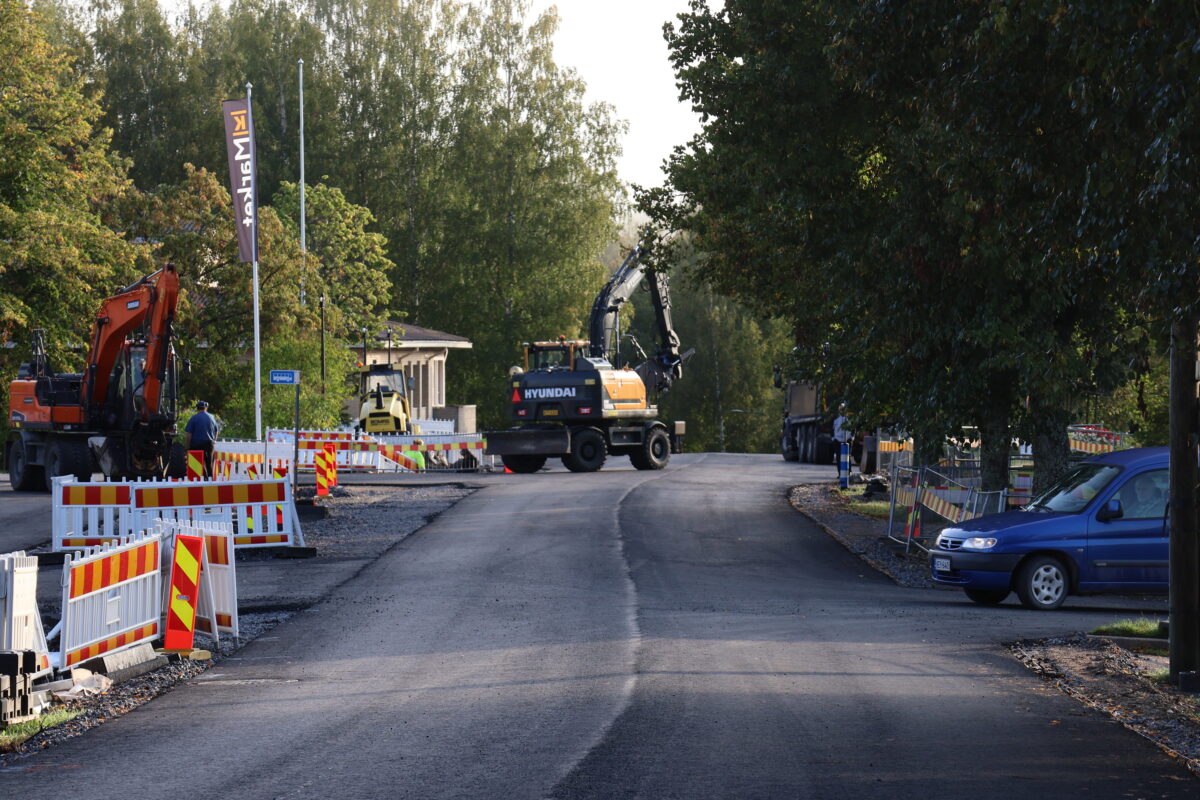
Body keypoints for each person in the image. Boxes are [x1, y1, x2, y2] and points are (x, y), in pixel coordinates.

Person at [183, 401, 221, 478]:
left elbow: (188, 435)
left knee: (196, 467)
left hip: (196, 446)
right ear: (206, 408)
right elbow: (216, 431)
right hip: (209, 444)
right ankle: (210, 483)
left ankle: (198, 483)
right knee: (209, 465)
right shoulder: (212, 417)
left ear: (197, 408)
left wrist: (187, 447)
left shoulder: (193, 418)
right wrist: (213, 441)